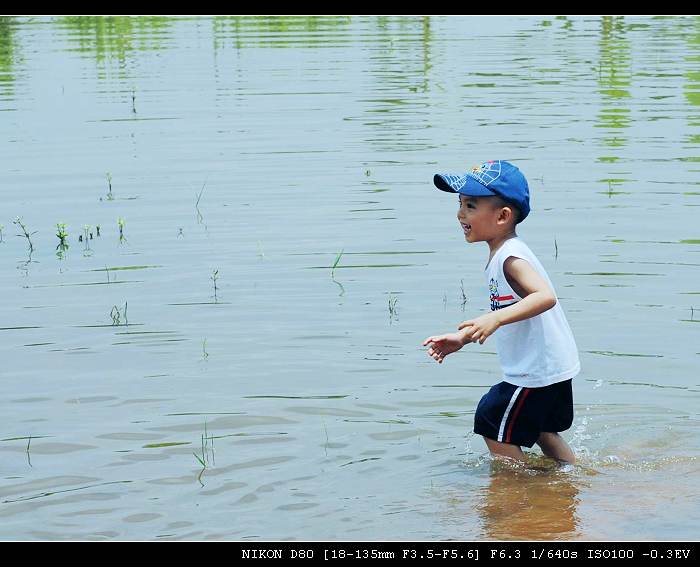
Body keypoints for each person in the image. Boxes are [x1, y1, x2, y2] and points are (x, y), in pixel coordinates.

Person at [422, 160, 580, 464]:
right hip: (552, 365)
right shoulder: (505, 253)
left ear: (503, 216)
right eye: (460, 204)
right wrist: (463, 338)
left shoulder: (510, 258)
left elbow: (545, 297)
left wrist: (494, 318)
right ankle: (569, 480)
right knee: (542, 430)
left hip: (536, 371)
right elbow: (510, 309)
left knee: (492, 418)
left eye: (470, 205)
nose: (460, 213)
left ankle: (518, 492)